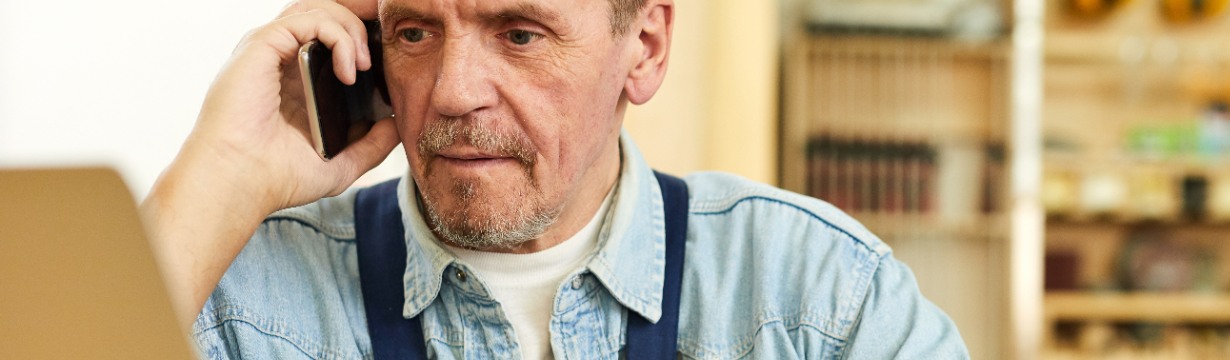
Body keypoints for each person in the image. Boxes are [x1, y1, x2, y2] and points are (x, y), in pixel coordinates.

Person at [139, 0, 969, 358]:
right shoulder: (246, 300)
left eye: (521, 33)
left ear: (643, 48)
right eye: (417, 32)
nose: (454, 91)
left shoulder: (816, 301)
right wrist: (222, 172)